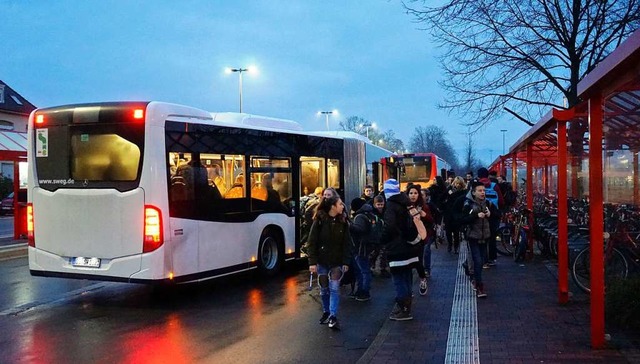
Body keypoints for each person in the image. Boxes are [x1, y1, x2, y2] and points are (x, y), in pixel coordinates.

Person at [381, 179, 427, 321]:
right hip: (411, 246)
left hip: (397, 248)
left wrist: (383, 239)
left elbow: (389, 227)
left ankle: (403, 309)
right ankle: (407, 306)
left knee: (399, 279)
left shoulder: (391, 205)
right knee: (407, 277)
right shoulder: (407, 203)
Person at [307, 195, 352, 330]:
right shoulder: (320, 221)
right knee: (324, 288)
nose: (342, 206)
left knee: (334, 288)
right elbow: (312, 242)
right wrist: (312, 262)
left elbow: (347, 244)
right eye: (340, 204)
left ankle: (333, 315)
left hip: (336, 261)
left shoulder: (343, 222)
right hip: (322, 260)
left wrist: (346, 261)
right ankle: (326, 311)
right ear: (333, 206)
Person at [460, 181, 499, 298]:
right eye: (480, 191)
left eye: (483, 191)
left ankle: (473, 276)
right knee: (477, 260)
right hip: (473, 237)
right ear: (473, 192)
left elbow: (498, 215)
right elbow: (463, 218)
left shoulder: (488, 204)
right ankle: (479, 286)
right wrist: (475, 216)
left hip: (485, 236)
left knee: (481, 261)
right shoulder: (468, 204)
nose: (483, 193)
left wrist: (490, 214)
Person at [349, 199, 384, 301]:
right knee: (364, 269)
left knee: (363, 270)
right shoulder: (369, 214)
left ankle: (364, 292)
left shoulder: (359, 216)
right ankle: (362, 291)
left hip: (361, 247)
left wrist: (349, 226)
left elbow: (360, 229)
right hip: (368, 246)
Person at [406, 184, 434, 295]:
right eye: (411, 193)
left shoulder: (424, 207)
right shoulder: (404, 206)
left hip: (420, 238)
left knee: (418, 261)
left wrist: (424, 215)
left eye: (415, 193)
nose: (413, 195)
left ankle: (422, 279)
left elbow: (431, 220)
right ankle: (408, 289)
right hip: (407, 237)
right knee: (407, 263)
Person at [477, 167, 503, 267]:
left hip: (480, 215)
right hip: (493, 216)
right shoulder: (494, 186)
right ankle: (492, 258)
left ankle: (482, 259)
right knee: (492, 237)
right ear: (487, 175)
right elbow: (501, 201)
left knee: (481, 237)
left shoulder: (476, 186)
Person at [443, 177, 467, 254]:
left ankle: (456, 246)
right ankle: (450, 244)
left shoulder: (463, 192)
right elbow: (442, 197)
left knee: (456, 231)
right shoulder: (449, 190)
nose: (457, 185)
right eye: (456, 183)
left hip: (457, 213)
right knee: (448, 231)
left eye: (459, 183)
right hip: (448, 212)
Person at [369, 195, 391, 278]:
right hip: (375, 236)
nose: (380, 206)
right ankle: (371, 268)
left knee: (383, 253)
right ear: (375, 205)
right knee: (374, 253)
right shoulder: (372, 213)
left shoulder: (386, 211)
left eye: (382, 204)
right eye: (378, 205)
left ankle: (383, 268)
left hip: (383, 235)